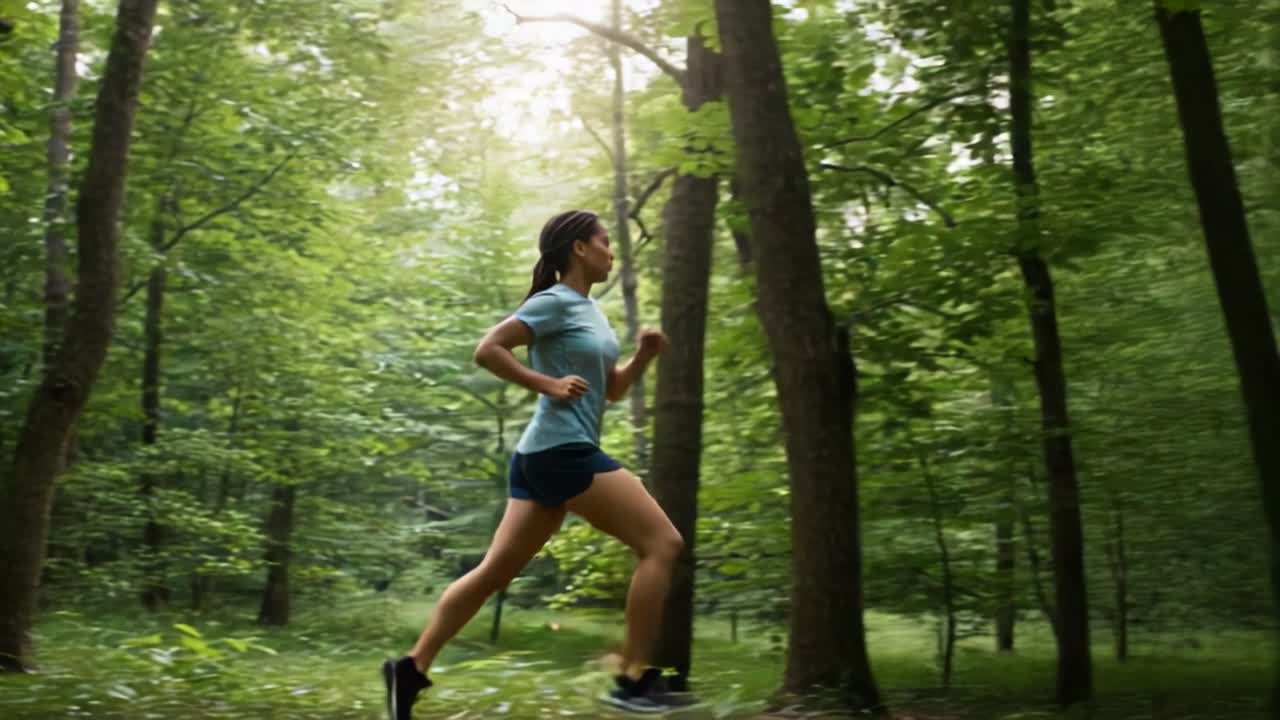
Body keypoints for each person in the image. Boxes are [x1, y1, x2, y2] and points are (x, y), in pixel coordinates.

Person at [382, 210, 684, 719]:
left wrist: (645, 356)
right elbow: (488, 350)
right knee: (663, 543)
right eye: (606, 241)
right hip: (561, 451)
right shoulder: (554, 303)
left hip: (542, 457)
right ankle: (633, 679)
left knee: (492, 573)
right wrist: (547, 384)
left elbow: (610, 390)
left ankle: (410, 669)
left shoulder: (592, 312)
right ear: (579, 249)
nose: (612, 250)